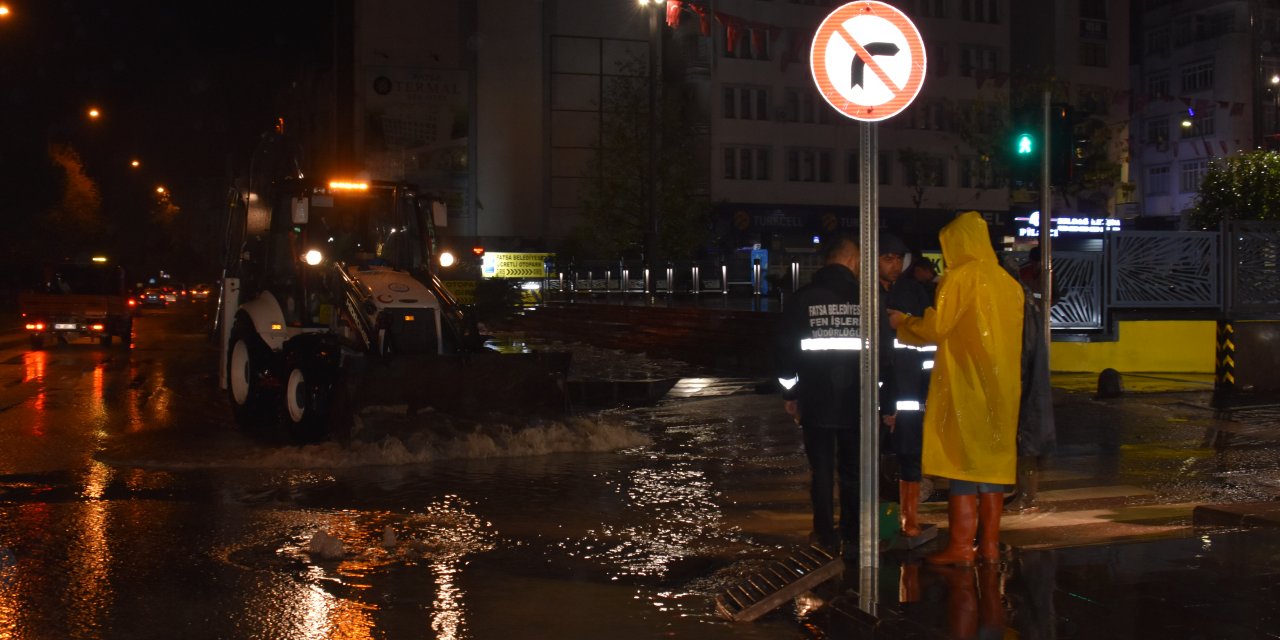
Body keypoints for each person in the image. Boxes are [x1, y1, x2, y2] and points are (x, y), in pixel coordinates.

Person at [888, 211, 1024, 566]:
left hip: (967, 385)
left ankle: (963, 547)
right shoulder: (1008, 283)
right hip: (1003, 387)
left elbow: (938, 328)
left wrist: (905, 323)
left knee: (963, 467)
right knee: (992, 467)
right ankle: (990, 546)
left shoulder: (960, 278)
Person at [775, 235, 864, 556]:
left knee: (822, 470)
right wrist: (881, 397)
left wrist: (790, 393)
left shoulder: (803, 298)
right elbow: (884, 355)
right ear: (853, 261)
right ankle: (853, 533)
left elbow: (786, 350)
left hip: (815, 400)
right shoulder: (866, 298)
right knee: (853, 470)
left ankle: (825, 534)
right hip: (858, 401)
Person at [877, 233, 934, 541]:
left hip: (910, 393)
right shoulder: (865, 292)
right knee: (868, 461)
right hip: (874, 394)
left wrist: (926, 390)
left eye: (899, 259)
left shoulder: (915, 292)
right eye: (888, 258)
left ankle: (908, 520)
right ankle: (872, 523)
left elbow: (929, 346)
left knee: (909, 456)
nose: (895, 264)